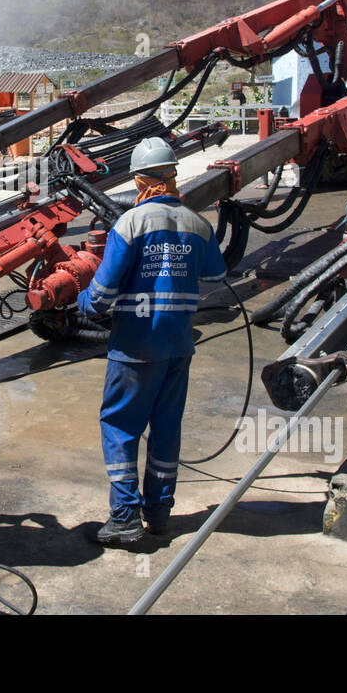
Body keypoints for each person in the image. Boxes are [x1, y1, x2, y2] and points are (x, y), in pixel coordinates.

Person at [76, 137, 227, 545]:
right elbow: (215, 278)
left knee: (120, 426)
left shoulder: (129, 225)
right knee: (165, 428)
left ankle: (124, 516)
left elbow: (102, 296)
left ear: (140, 181)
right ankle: (159, 513)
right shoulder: (199, 225)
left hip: (135, 347)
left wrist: (82, 303)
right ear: (173, 175)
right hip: (178, 346)